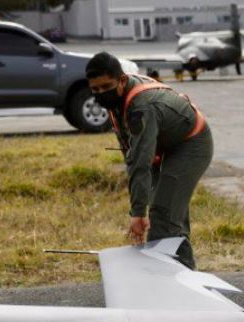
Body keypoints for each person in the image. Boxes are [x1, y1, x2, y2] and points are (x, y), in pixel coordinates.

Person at [84, 52, 213, 269]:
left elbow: (140, 162)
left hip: (191, 144)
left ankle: (170, 278)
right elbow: (132, 156)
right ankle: (182, 274)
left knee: (163, 216)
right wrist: (141, 203)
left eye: (105, 87)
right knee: (167, 212)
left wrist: (137, 213)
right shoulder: (118, 99)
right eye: (95, 90)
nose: (100, 94)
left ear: (122, 80)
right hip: (166, 144)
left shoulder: (142, 107)